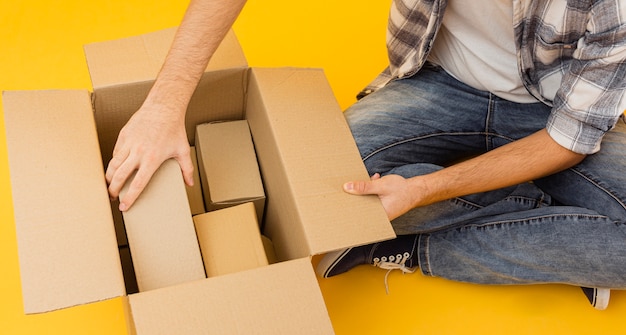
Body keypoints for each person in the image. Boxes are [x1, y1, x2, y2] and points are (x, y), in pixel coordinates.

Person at [105, 0, 626, 311]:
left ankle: (399, 247)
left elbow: (566, 141)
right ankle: (558, 236)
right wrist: (163, 105)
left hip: (553, 115)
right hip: (439, 85)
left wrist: (423, 188)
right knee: (318, 186)